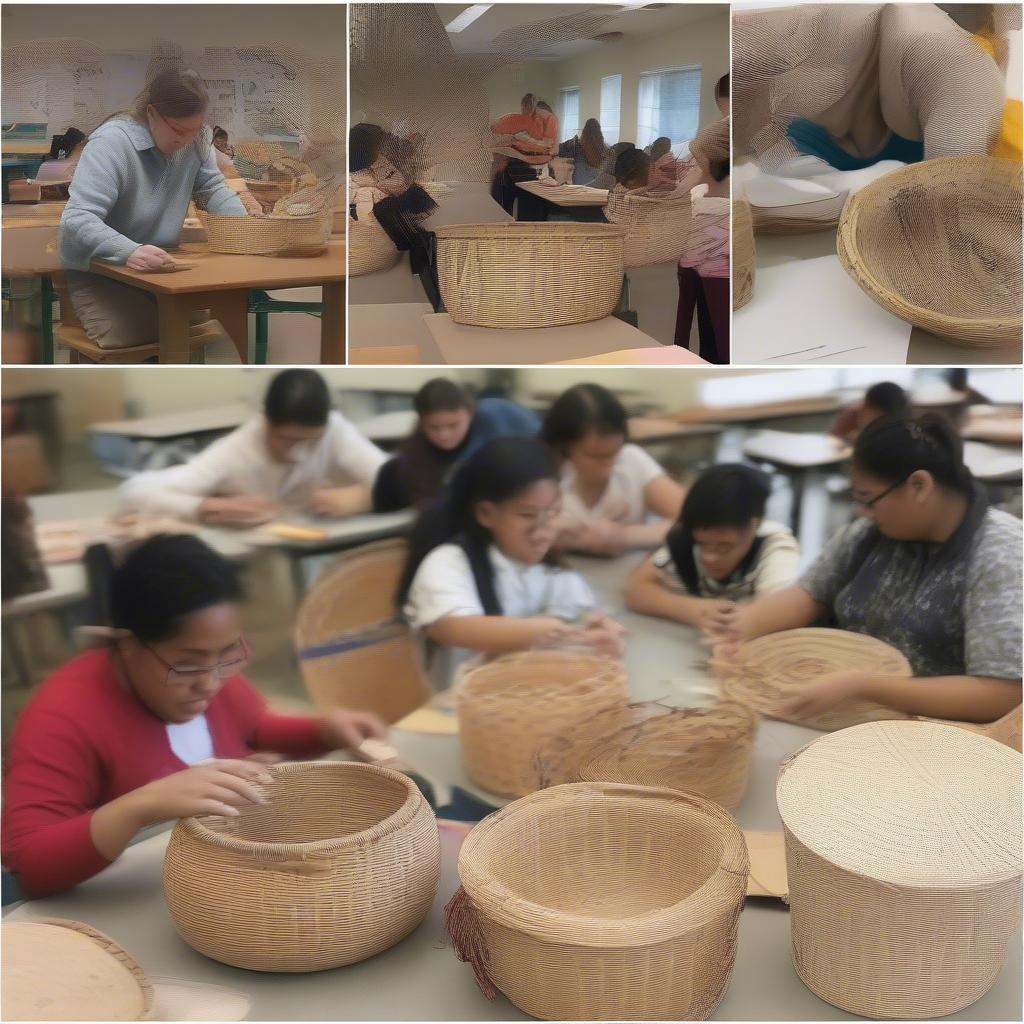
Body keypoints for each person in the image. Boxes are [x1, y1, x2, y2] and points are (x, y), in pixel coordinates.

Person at [0, 534, 388, 898]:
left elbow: (252, 728)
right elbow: (28, 862)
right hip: (135, 902)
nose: (211, 683)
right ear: (128, 646)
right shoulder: (63, 716)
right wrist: (142, 804)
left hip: (225, 882)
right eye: (188, 665)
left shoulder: (205, 668)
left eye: (227, 655)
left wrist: (323, 730)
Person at [709, 414, 1022, 724]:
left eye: (869, 500)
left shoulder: (999, 554)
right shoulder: (872, 534)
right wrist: (739, 632)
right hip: (842, 717)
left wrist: (863, 686)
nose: (863, 513)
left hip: (933, 739)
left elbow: (1003, 693)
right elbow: (809, 594)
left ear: (919, 485)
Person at [58, 68, 249, 349]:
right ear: (151, 114)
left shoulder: (196, 138)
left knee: (206, 333)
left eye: (195, 130)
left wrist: (247, 229)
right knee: (148, 336)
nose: (187, 140)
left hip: (162, 265)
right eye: (178, 130)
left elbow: (212, 189)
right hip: (103, 269)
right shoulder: (112, 142)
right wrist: (129, 251)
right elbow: (77, 218)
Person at [398, 437, 624, 671]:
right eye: (527, 515)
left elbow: (581, 613)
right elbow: (450, 627)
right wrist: (545, 630)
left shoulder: (550, 568)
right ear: (486, 513)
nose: (543, 530)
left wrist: (597, 629)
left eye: (554, 512)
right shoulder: (449, 563)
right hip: (458, 702)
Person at [120, 369, 387, 526]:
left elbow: (408, 476)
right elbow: (135, 491)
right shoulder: (237, 450)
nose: (300, 453)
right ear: (265, 421)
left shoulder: (333, 429)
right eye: (288, 441)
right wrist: (210, 506)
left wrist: (361, 498)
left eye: (311, 441)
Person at [625, 464, 799, 631]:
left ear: (755, 525)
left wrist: (745, 621)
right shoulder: (684, 537)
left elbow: (777, 611)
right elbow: (637, 590)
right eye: (702, 544)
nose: (709, 557)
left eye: (724, 547)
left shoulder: (775, 546)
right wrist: (696, 610)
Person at [540, 383, 686, 556]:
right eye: (595, 457)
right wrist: (575, 538)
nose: (607, 466)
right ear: (565, 447)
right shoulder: (544, 472)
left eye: (613, 453)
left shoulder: (631, 461)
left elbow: (695, 520)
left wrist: (625, 536)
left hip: (632, 580)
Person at [373, 379, 540, 512]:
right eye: (434, 427)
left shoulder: (498, 417)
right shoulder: (412, 457)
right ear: (422, 424)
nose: (444, 435)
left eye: (453, 425)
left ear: (469, 412)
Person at [675, 118, 731, 363]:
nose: (696, 163)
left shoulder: (706, 193)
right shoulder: (703, 190)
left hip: (714, 270)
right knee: (715, 336)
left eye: (700, 159)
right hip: (709, 269)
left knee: (719, 337)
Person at [349, 122, 437, 262]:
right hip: (378, 214)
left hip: (401, 201)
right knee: (384, 207)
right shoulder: (355, 173)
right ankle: (417, 245)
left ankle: (420, 244)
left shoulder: (381, 158)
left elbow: (398, 183)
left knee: (406, 197)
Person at [489, 93, 554, 214]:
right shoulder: (515, 123)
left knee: (527, 210)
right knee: (504, 210)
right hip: (511, 175)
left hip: (525, 178)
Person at [831, 381, 910, 443]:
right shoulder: (851, 415)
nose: (881, 421)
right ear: (866, 406)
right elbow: (833, 440)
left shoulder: (901, 421)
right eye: (878, 415)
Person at [557, 118, 614, 188]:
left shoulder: (576, 145)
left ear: (584, 131)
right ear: (599, 132)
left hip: (579, 187)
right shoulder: (608, 151)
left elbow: (558, 150)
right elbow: (610, 171)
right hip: (599, 188)